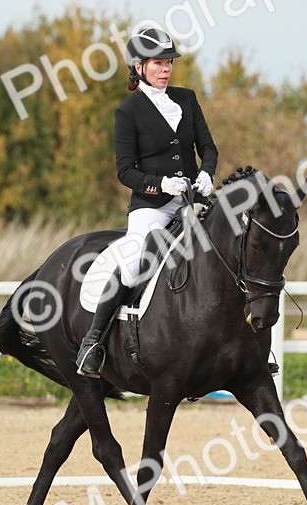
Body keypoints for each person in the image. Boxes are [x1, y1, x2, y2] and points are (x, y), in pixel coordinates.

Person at [76, 27, 218, 377]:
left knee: (231, 250)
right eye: (158, 63)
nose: (166, 68)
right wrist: (161, 184)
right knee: (132, 266)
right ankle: (93, 342)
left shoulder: (187, 98)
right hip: (152, 206)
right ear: (139, 67)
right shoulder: (129, 111)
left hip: (193, 201)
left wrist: (207, 174)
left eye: (169, 62)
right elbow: (125, 171)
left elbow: (208, 149)